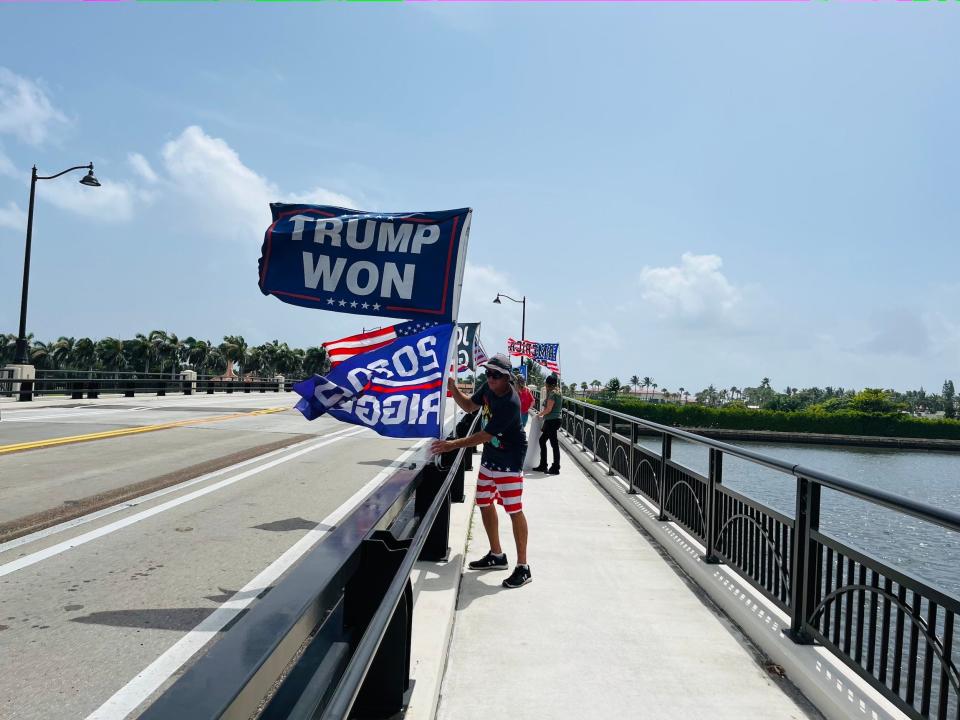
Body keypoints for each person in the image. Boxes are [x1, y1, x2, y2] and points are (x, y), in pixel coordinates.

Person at [431, 353, 532, 589]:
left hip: (509, 459)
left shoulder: (510, 402)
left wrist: (451, 445)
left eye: (496, 375)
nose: (490, 378)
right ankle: (497, 555)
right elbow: (468, 406)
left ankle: (523, 567)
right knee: (484, 501)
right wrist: (453, 387)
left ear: (507, 378)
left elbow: (484, 435)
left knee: (514, 509)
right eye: (488, 373)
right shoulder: (487, 389)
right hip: (491, 456)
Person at [533, 374, 562, 474]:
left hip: (552, 421)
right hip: (553, 420)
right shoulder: (557, 392)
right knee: (542, 440)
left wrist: (538, 415)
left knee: (554, 444)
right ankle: (543, 465)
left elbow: (548, 409)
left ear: (547, 384)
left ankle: (555, 467)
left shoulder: (552, 394)